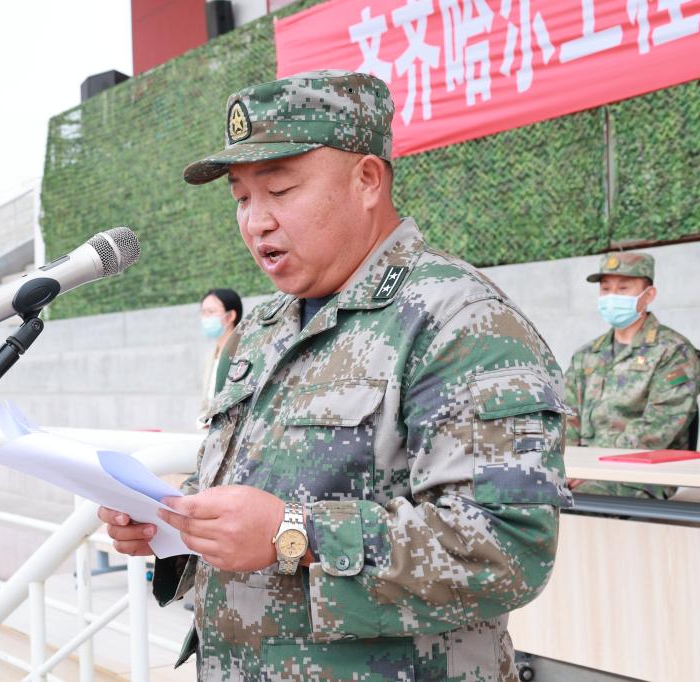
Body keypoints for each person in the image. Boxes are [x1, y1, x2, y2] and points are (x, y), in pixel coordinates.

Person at [99, 70, 572, 681]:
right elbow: (259, 485)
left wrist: (294, 533)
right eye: (241, 198)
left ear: (367, 180)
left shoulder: (461, 320)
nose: (256, 222)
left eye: (280, 189)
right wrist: (175, 516)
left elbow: (508, 548)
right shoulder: (267, 326)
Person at [565, 252, 700, 499]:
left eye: (623, 288)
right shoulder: (587, 354)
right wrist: (566, 466)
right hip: (582, 471)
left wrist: (592, 467)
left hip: (641, 474)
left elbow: (657, 428)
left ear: (648, 295)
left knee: (570, 502)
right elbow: (566, 417)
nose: (612, 297)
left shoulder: (674, 351)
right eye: (606, 289)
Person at [199, 288, 243, 425]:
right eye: (203, 312)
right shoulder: (210, 356)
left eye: (211, 312)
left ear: (230, 316)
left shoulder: (243, 352)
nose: (205, 318)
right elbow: (206, 400)